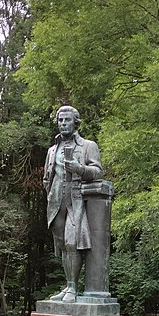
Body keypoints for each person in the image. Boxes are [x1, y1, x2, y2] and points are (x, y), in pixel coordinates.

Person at [43, 105, 103, 302]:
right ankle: (69, 285)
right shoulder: (52, 150)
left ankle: (73, 288)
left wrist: (80, 168)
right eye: (60, 120)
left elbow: (97, 172)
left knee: (72, 242)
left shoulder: (87, 145)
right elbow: (46, 177)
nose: (63, 124)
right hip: (55, 201)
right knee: (61, 243)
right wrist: (50, 191)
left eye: (67, 120)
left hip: (76, 199)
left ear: (75, 122)